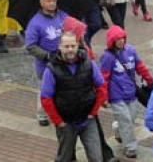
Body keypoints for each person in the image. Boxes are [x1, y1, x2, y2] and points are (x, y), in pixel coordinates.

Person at [40, 32, 107, 162]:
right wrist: (59, 122)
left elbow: (101, 86)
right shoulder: (51, 69)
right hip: (66, 122)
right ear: (59, 46)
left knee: (96, 157)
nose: (70, 49)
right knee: (65, 158)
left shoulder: (88, 63)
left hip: (87, 119)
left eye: (72, 45)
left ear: (78, 46)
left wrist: (93, 112)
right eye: (66, 46)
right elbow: (46, 98)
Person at [100, 26, 153, 158]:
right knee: (125, 120)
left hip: (130, 92)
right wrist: (104, 97)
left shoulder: (131, 50)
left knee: (130, 118)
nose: (121, 41)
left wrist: (149, 80)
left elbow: (139, 66)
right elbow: (104, 78)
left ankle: (117, 129)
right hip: (116, 94)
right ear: (112, 41)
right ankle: (130, 147)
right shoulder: (107, 57)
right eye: (118, 39)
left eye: (123, 38)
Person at [26, 0, 70, 126]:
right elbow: (30, 46)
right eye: (48, 1)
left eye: (54, 1)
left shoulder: (62, 16)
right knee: (45, 90)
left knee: (63, 87)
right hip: (46, 65)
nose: (52, 4)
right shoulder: (35, 22)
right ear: (41, 3)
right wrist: (47, 55)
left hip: (63, 61)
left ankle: (61, 111)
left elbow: (73, 29)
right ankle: (42, 114)